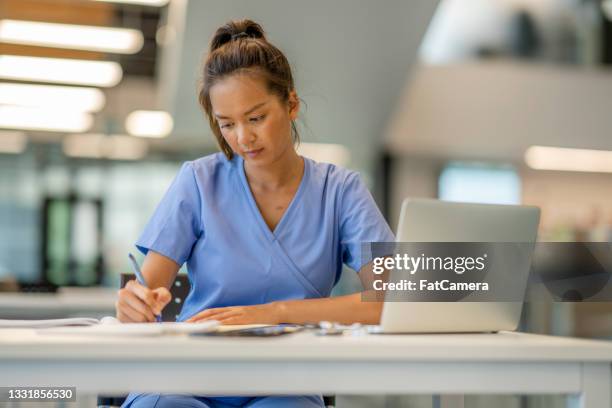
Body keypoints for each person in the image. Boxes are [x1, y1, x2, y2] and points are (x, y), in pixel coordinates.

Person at [117, 19, 394, 408]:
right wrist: (134, 302)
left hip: (286, 381)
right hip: (187, 375)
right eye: (226, 124)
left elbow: (391, 299)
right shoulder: (199, 181)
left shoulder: (340, 191)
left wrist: (273, 313)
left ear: (291, 105)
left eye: (256, 118)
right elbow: (146, 292)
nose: (243, 138)